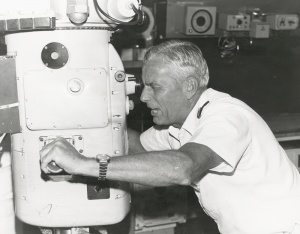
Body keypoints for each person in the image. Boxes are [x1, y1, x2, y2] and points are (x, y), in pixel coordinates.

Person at [40, 40, 300, 234]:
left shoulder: (225, 116)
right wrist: (97, 115)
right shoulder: (178, 125)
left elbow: (183, 168)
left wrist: (84, 164)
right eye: (144, 86)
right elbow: (137, 147)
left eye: (156, 87)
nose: (143, 97)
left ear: (189, 87)